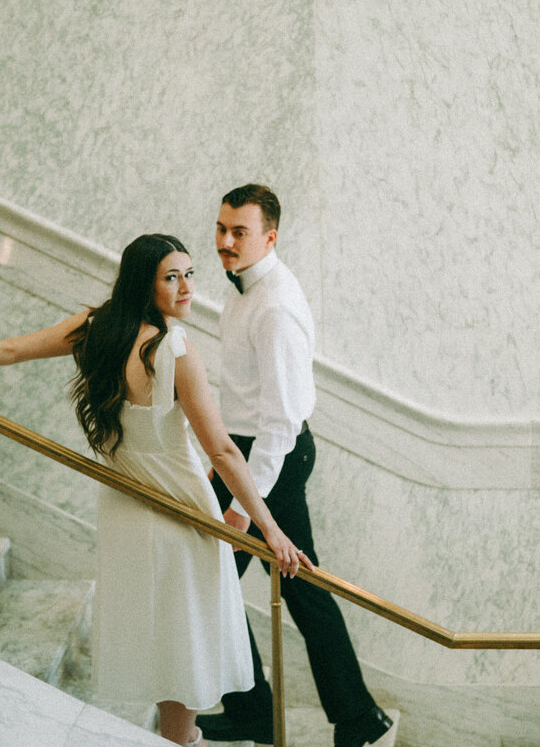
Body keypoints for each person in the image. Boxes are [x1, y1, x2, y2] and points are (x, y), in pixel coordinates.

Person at [0, 233, 313, 747]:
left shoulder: (97, 328)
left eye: (190, 274)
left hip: (125, 508)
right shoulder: (175, 350)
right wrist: (269, 529)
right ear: (145, 284)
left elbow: (11, 350)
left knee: (165, 652)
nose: (187, 287)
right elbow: (224, 452)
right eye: (171, 277)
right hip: (179, 511)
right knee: (183, 656)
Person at [198, 185, 393, 747]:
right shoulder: (246, 291)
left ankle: (262, 710)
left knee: (208, 577)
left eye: (240, 232)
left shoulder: (275, 304)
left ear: (270, 237)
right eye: (221, 228)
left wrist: (240, 506)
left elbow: (279, 422)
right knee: (299, 589)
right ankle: (353, 716)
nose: (226, 242)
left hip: (269, 458)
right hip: (247, 451)